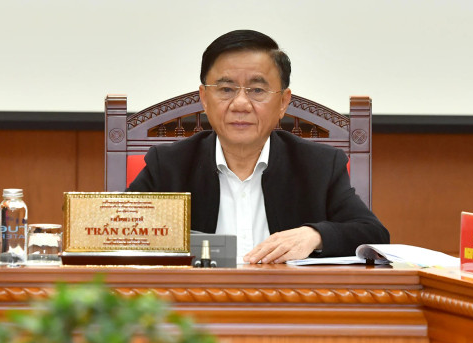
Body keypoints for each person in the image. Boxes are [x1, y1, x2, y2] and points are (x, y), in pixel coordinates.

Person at [127, 29, 390, 263]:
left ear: (284, 102)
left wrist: (315, 235)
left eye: (257, 90)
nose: (240, 104)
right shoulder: (169, 165)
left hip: (288, 307)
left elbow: (374, 234)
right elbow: (117, 230)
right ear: (204, 99)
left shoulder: (318, 166)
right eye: (226, 89)